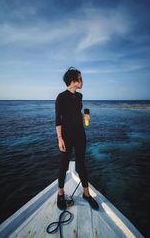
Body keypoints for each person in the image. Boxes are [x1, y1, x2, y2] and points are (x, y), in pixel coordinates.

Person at [55, 67, 99, 210]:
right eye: (80, 79)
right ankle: (60, 193)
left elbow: (75, 113)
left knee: (81, 165)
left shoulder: (79, 97)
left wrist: (84, 117)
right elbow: (58, 119)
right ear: (73, 81)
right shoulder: (61, 97)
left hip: (80, 135)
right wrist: (60, 138)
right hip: (66, 136)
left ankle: (86, 194)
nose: (82, 82)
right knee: (64, 164)